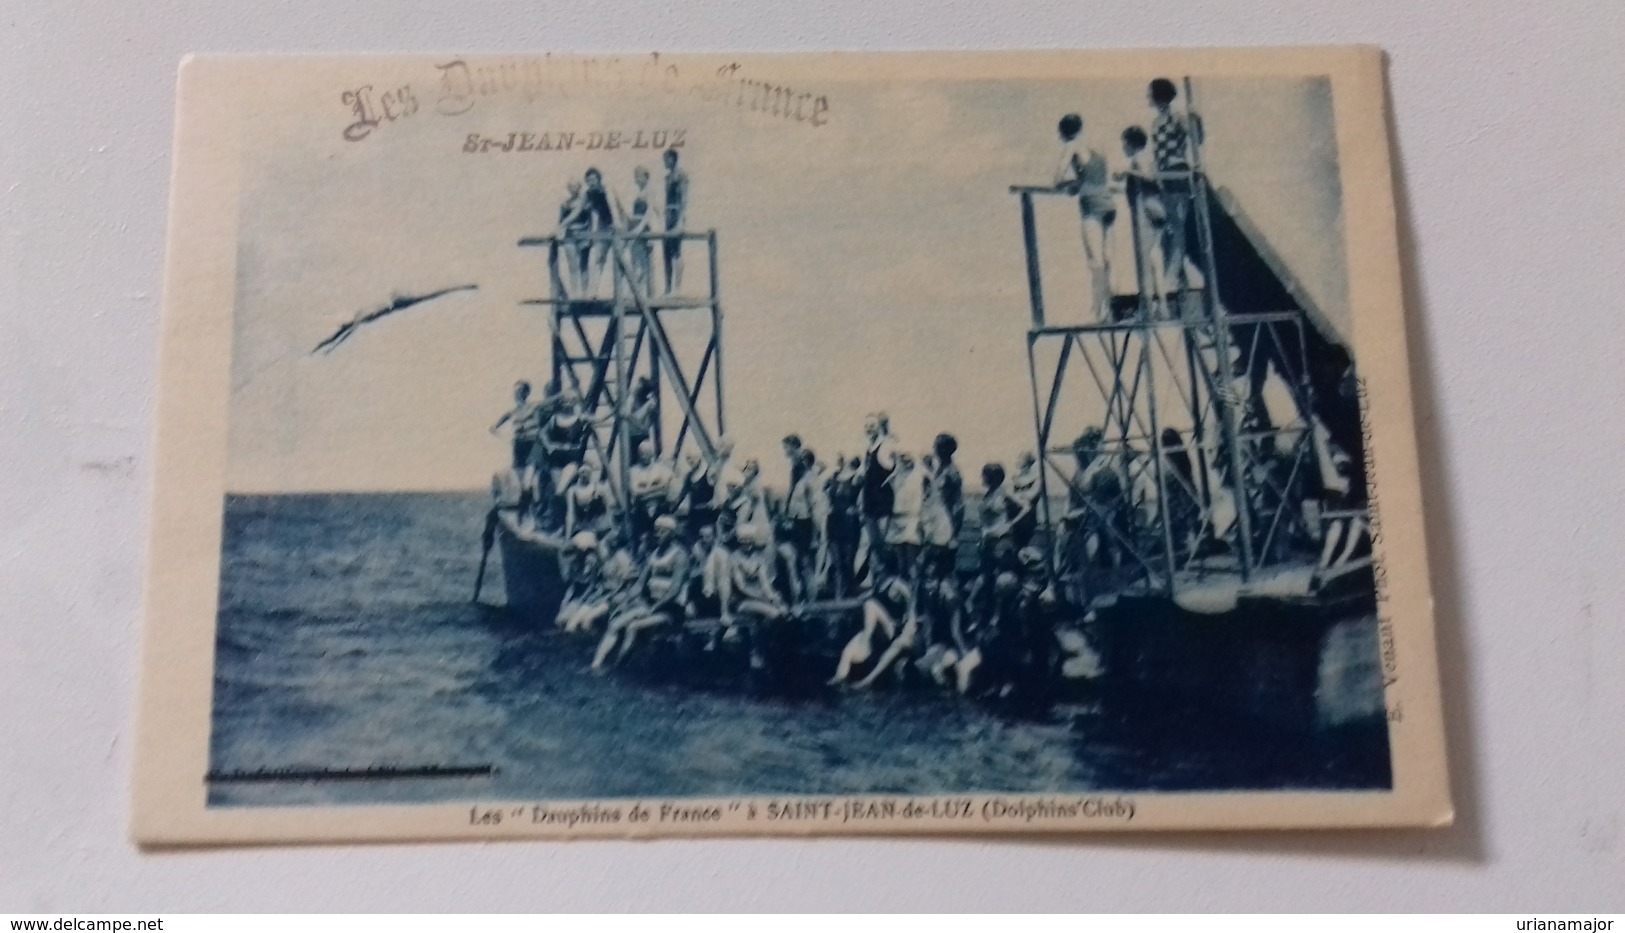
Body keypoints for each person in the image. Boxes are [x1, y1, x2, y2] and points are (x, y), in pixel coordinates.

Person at [592, 515, 689, 669]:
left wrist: (653, 608)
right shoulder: (654, 554)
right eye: (657, 530)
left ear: (672, 533)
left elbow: (674, 591)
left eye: (663, 531)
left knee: (633, 627)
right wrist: (628, 601)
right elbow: (640, 584)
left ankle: (619, 667)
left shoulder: (680, 556)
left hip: (670, 610)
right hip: (650, 605)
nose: (658, 534)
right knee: (615, 624)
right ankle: (596, 664)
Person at [1055, 113, 1117, 321]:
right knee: (1109, 259)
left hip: (1091, 205)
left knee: (1095, 261)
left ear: (1064, 134)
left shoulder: (1072, 146)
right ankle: (1110, 307)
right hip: (1109, 202)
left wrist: (1074, 185)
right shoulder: (1097, 144)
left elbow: (1057, 178)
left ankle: (1099, 310)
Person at [1147, 78, 1203, 298]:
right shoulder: (1155, 123)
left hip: (1177, 172)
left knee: (1177, 228)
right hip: (1164, 176)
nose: (1148, 98)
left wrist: (1195, 118)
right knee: (1167, 231)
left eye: (1150, 94)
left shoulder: (1176, 117)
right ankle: (1180, 278)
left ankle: (1171, 278)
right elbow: (1156, 152)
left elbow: (1196, 138)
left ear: (1159, 96)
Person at [1118, 125, 1169, 316]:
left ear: (1131, 143)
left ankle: (1147, 304)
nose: (1123, 147)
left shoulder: (1138, 158)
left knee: (1144, 259)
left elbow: (1149, 176)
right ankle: (1161, 303)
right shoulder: (1150, 157)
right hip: (1156, 206)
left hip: (1145, 207)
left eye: (1124, 143)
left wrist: (1127, 173)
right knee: (1155, 257)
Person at [830, 574, 915, 687]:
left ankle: (866, 642)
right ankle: (840, 677)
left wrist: (909, 626)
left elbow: (911, 604)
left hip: (892, 628)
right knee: (848, 650)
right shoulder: (880, 581)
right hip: (877, 630)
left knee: (871, 605)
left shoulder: (899, 584)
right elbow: (870, 596)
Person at [918, 433, 964, 581]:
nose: (933, 448)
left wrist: (954, 535)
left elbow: (959, 505)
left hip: (946, 528)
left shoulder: (952, 473)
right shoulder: (938, 471)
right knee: (929, 568)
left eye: (936, 446)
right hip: (933, 525)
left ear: (944, 449)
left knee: (944, 571)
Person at [858, 413, 898, 581]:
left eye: (872, 426)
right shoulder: (868, 449)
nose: (869, 429)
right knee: (874, 545)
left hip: (883, 502)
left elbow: (897, 468)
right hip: (869, 502)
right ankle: (876, 581)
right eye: (866, 426)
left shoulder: (886, 445)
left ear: (879, 427)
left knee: (882, 545)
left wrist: (889, 481)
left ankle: (886, 580)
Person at [563, 456, 614, 540]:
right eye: (582, 472)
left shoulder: (599, 488)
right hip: (582, 527)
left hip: (599, 527)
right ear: (578, 473)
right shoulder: (572, 491)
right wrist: (567, 537)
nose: (585, 474)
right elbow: (570, 514)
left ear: (591, 473)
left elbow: (609, 509)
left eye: (587, 472)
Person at [661, 148, 689, 294]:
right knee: (666, 251)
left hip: (677, 214)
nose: (664, 162)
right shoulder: (667, 177)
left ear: (673, 159)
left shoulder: (681, 176)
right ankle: (668, 287)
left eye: (666, 159)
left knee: (676, 252)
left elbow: (684, 199)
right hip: (668, 216)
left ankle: (677, 288)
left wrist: (680, 221)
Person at [625, 166, 655, 297]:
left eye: (639, 175)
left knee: (643, 264)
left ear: (646, 177)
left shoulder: (650, 191)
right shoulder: (638, 192)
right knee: (634, 261)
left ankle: (636, 292)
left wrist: (640, 228)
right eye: (635, 175)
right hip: (634, 227)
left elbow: (649, 213)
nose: (636, 178)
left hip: (644, 228)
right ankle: (636, 292)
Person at [557, 180, 589, 294]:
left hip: (583, 233)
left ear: (579, 187)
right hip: (569, 234)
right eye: (570, 186)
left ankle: (585, 293)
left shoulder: (585, 201)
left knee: (583, 264)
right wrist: (559, 232)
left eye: (574, 186)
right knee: (572, 265)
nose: (572, 189)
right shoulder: (565, 203)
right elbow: (560, 221)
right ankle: (574, 292)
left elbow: (587, 218)